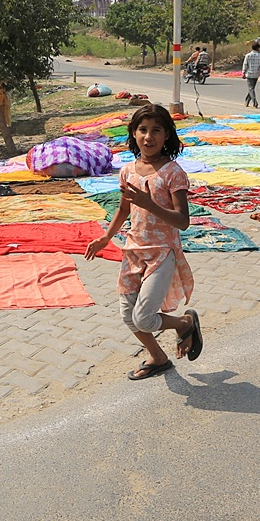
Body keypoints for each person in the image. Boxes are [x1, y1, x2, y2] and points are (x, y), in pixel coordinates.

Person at [84, 104, 203, 380]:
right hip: (133, 251)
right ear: (134, 134)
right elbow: (124, 209)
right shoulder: (127, 171)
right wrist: (105, 237)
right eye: (143, 130)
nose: (149, 137)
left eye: (156, 131)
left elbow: (182, 221)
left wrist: (150, 203)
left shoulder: (173, 173)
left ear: (167, 136)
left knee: (143, 317)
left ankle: (184, 322)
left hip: (162, 253)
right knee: (128, 315)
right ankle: (158, 357)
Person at [242, 42, 260, 107]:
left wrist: (243, 72)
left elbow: (245, 64)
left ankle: (255, 103)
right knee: (251, 88)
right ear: (258, 48)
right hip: (256, 74)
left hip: (249, 74)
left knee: (251, 88)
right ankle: (246, 101)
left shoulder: (248, 55)